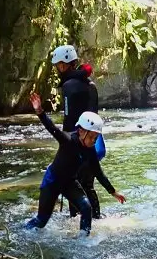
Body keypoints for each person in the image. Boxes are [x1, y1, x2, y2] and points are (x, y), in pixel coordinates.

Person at [24, 91, 126, 237]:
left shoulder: (90, 151)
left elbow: (98, 173)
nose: (93, 141)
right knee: (41, 221)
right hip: (52, 181)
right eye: (91, 137)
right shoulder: (68, 140)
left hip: (69, 183)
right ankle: (23, 231)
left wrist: (113, 192)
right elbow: (52, 128)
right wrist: (39, 111)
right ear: (81, 131)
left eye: (96, 138)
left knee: (86, 208)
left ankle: (83, 240)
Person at [50, 45, 107, 219]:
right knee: (88, 184)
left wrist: (64, 144)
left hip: (76, 143)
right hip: (94, 140)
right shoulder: (90, 84)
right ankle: (96, 217)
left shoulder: (68, 86)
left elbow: (68, 118)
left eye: (58, 65)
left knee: (73, 183)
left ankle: (76, 218)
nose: (57, 68)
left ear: (64, 65)